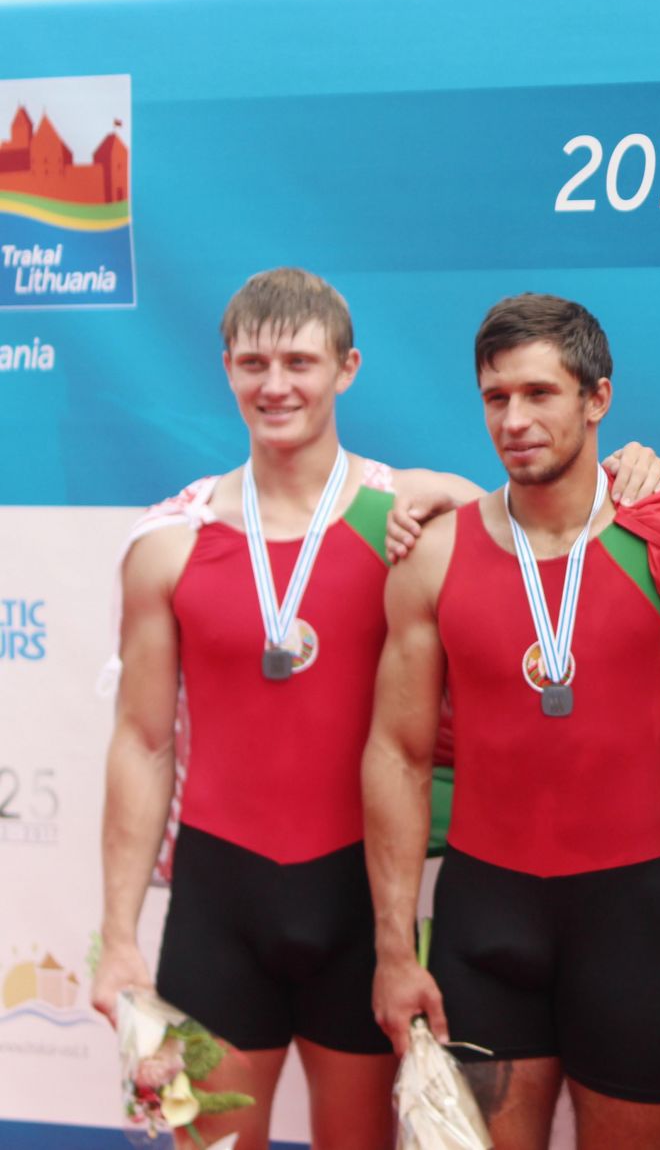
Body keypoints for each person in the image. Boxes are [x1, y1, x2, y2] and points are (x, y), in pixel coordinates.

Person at [91, 268, 489, 1150]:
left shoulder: (410, 519)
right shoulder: (170, 542)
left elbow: (529, 532)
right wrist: (117, 936)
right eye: (254, 364)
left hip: (362, 906)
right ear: (226, 368)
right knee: (211, 1145)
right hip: (217, 907)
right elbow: (143, 742)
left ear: (347, 368)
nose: (275, 387)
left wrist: (460, 492)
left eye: (300, 363)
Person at [360, 294, 660, 1150]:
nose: (515, 420)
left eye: (539, 394)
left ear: (597, 398)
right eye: (496, 398)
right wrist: (393, 950)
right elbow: (398, 754)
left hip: (628, 932)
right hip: (482, 928)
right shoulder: (434, 554)